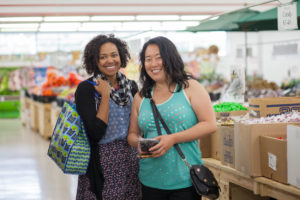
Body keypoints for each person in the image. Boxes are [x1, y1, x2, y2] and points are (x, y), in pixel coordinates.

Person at [128, 36, 217, 200]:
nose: (153, 64)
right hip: (149, 180)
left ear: (170, 58)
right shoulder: (141, 97)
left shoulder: (189, 88)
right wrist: (139, 144)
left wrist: (173, 139)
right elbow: (132, 134)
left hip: (184, 181)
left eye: (158, 58)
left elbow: (210, 124)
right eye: (148, 59)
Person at [75, 34, 142, 200]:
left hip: (131, 158)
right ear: (94, 61)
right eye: (102, 57)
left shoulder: (130, 86)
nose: (110, 61)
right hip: (103, 162)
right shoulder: (86, 89)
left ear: (121, 56)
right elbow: (95, 133)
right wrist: (105, 95)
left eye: (114, 55)